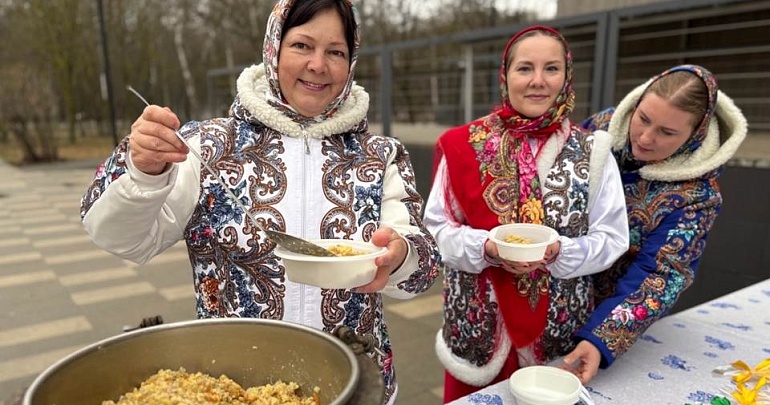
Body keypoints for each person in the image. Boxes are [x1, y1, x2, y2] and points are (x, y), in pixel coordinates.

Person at [79, 0, 441, 403]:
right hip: (234, 385)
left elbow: (422, 271)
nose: (318, 65)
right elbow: (123, 239)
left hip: (354, 380)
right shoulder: (206, 147)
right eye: (302, 45)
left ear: (351, 61)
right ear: (273, 48)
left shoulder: (380, 155)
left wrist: (400, 256)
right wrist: (145, 173)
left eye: (336, 52)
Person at [422, 25, 630, 403]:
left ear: (567, 75)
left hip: (558, 335)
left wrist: (561, 252)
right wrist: (486, 247)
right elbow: (435, 230)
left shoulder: (594, 151)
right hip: (478, 331)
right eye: (524, 68)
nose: (538, 81)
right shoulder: (460, 144)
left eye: (551, 68)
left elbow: (613, 237)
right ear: (505, 75)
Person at [565, 64, 748, 384]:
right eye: (644, 118)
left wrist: (600, 338)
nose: (646, 137)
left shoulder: (696, 196)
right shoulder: (603, 129)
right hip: (550, 287)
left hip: (606, 309)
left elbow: (660, 275)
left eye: (667, 132)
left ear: (694, 135)